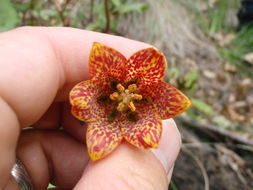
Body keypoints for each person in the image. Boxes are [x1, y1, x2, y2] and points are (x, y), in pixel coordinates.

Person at [0, 27, 181, 190]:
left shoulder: (156, 107)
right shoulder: (96, 83)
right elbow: (82, 98)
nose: (125, 98)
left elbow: (151, 132)